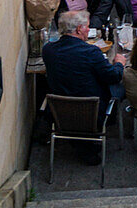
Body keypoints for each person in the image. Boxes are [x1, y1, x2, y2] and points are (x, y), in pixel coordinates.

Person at [42, 10, 126, 146]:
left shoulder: (48, 50)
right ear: (79, 29)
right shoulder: (91, 52)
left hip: (60, 110)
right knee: (120, 88)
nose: (88, 29)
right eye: (87, 26)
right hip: (92, 110)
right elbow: (114, 76)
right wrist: (119, 63)